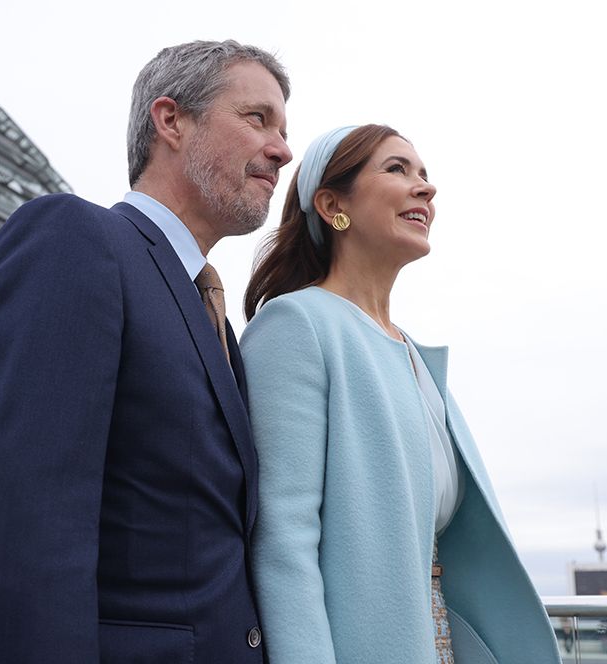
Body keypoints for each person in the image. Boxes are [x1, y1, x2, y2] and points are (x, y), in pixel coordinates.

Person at [0, 39, 292, 663]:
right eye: (257, 118)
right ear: (170, 121)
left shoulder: (215, 317)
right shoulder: (74, 241)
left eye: (283, 128)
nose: (282, 149)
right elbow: (18, 529)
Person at [240, 124, 560, 663]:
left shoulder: (411, 352)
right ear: (331, 203)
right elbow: (282, 541)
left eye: (425, 174)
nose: (425, 188)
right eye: (397, 169)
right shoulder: (297, 325)